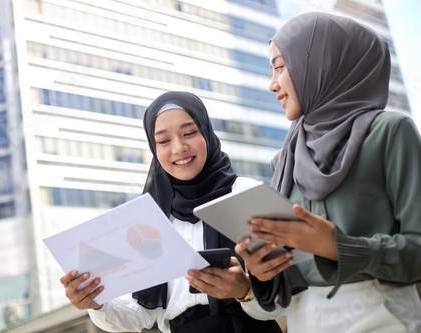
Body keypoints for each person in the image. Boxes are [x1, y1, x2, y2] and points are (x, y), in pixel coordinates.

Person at [235, 11, 421, 332]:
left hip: (384, 320)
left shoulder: (389, 131)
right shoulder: (285, 158)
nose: (271, 84)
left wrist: (337, 247)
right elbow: (299, 276)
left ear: (321, 62)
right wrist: (262, 272)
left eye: (280, 66)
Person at [60, 91, 282, 333]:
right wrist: (98, 302)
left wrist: (246, 290)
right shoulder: (149, 219)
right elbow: (141, 313)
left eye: (189, 133)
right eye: (163, 141)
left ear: (207, 132)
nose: (179, 148)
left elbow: (287, 300)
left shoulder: (248, 195)